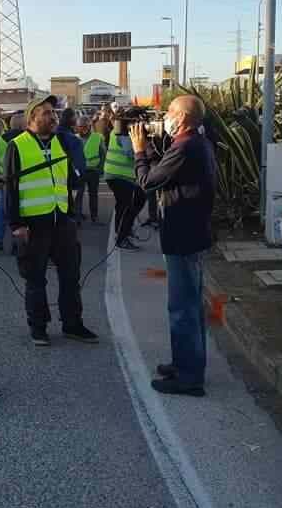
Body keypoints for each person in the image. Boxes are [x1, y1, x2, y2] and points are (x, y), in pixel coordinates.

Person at [131, 95, 217, 397]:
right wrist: (153, 151)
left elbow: (146, 182)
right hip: (191, 233)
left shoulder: (184, 147)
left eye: (168, 112)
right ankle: (186, 363)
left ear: (181, 117)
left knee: (182, 308)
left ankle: (189, 377)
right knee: (190, 305)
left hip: (183, 235)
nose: (164, 116)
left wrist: (139, 151)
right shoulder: (196, 143)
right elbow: (163, 175)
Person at [6, 97, 98, 345]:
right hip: (34, 223)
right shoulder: (18, 145)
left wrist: (70, 214)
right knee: (35, 278)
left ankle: (73, 324)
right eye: (46, 113)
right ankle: (39, 328)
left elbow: (68, 180)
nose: (53, 117)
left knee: (70, 275)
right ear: (32, 117)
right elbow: (11, 189)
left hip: (62, 220)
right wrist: (17, 224)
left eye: (54, 113)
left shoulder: (62, 142)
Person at [104, 111, 146, 251]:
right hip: (119, 175)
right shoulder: (124, 133)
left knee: (126, 205)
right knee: (126, 206)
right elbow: (130, 152)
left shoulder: (119, 129)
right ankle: (122, 238)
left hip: (118, 175)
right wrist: (143, 147)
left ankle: (123, 232)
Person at [0, 110, 26, 252]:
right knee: (19, 213)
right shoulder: (27, 139)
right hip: (23, 183)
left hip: (4, 181)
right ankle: (17, 244)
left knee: (0, 212)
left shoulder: (1, 139)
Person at [75, 116, 106, 224]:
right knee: (78, 195)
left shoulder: (97, 137)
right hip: (79, 172)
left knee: (93, 195)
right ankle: (77, 218)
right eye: (80, 127)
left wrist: (100, 169)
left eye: (85, 127)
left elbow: (103, 154)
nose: (83, 129)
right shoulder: (74, 138)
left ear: (89, 127)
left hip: (93, 171)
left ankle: (94, 217)